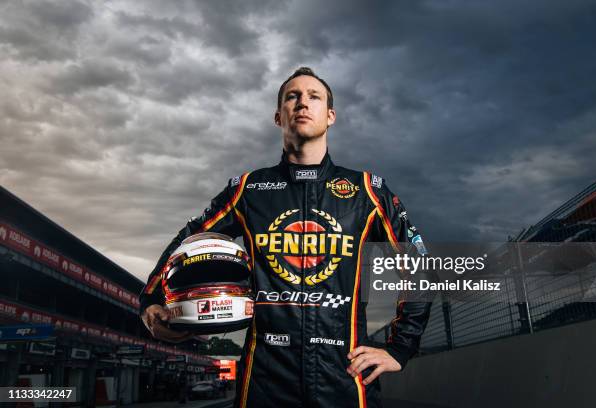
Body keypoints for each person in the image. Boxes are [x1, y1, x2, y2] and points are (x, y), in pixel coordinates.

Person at [140, 67, 432, 408]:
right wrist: (151, 300)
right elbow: (188, 238)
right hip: (264, 379)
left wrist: (400, 347)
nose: (302, 103)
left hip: (345, 377)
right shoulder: (249, 190)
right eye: (292, 97)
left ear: (331, 115)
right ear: (279, 116)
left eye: (314, 96)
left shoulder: (367, 191)